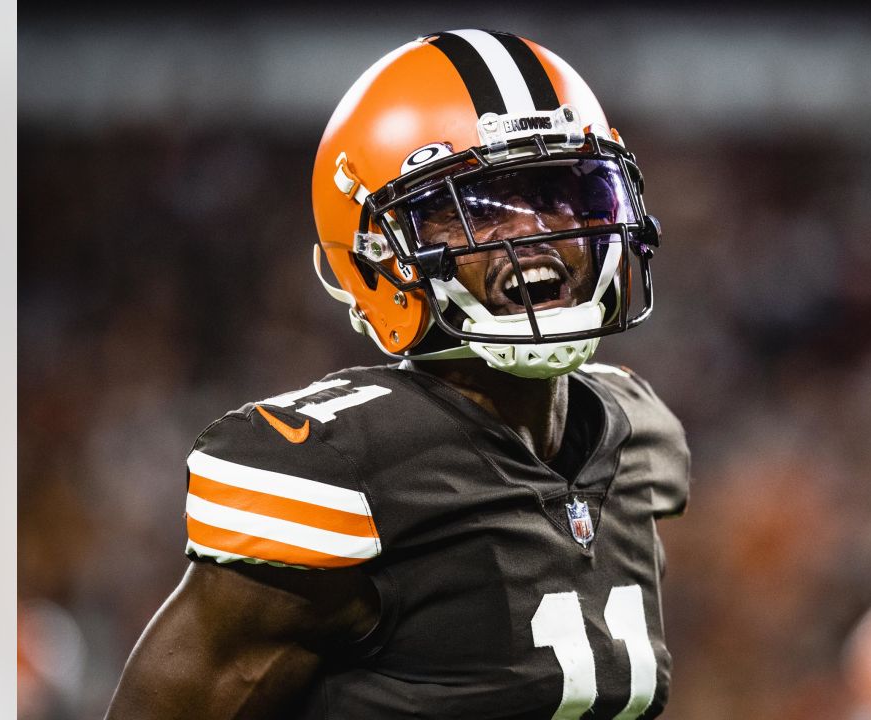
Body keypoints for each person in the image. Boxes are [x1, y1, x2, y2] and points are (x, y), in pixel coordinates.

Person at [106, 29, 688, 720]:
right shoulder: (340, 468)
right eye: (475, 207)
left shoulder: (642, 437)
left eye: (561, 193)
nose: (535, 232)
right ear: (375, 250)